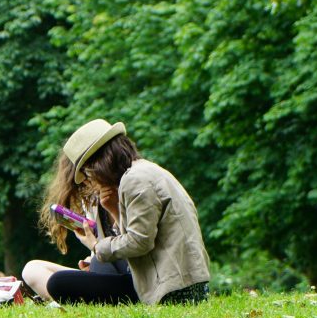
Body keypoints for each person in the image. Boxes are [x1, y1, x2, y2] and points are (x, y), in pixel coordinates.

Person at [22, 119, 210, 305]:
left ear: (100, 161)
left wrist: (96, 246)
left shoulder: (135, 180)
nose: (90, 179)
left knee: (58, 283)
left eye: (88, 172)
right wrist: (113, 208)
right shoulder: (143, 172)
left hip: (173, 290)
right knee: (94, 265)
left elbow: (140, 242)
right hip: (176, 283)